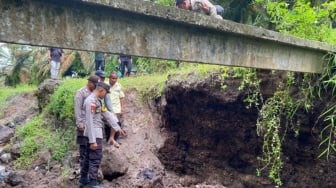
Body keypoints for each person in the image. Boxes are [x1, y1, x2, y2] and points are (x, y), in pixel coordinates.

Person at [81, 82, 124, 188]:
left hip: (94, 134)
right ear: (101, 90)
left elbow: (107, 114)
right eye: (106, 93)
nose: (106, 95)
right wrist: (93, 141)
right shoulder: (90, 102)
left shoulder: (98, 101)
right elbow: (89, 122)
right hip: (94, 134)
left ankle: (83, 179)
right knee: (95, 158)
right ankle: (93, 182)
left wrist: (117, 127)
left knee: (87, 157)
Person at [74, 75, 100, 187]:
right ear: (90, 83)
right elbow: (77, 108)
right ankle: (84, 177)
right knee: (84, 153)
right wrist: (79, 123)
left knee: (91, 153)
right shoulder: (81, 93)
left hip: (92, 127)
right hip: (83, 126)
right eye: (95, 84)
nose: (95, 87)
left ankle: (89, 177)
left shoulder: (94, 95)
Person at [105, 72, 125, 143]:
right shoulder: (105, 85)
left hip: (116, 108)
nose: (114, 80)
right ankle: (109, 139)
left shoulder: (118, 86)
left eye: (116, 78)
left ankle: (113, 138)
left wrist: (122, 108)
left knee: (115, 122)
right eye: (113, 78)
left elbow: (121, 97)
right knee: (108, 124)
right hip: (107, 108)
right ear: (109, 78)